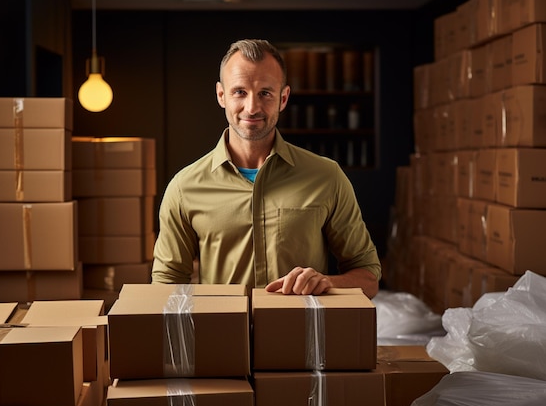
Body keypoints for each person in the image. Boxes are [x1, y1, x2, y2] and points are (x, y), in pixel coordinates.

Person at [151, 39, 381, 298]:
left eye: (265, 93)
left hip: (300, 337)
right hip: (218, 338)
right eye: (240, 92)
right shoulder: (184, 187)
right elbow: (166, 286)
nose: (252, 107)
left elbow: (368, 277)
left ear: (283, 98)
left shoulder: (327, 177)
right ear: (221, 95)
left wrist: (326, 282)